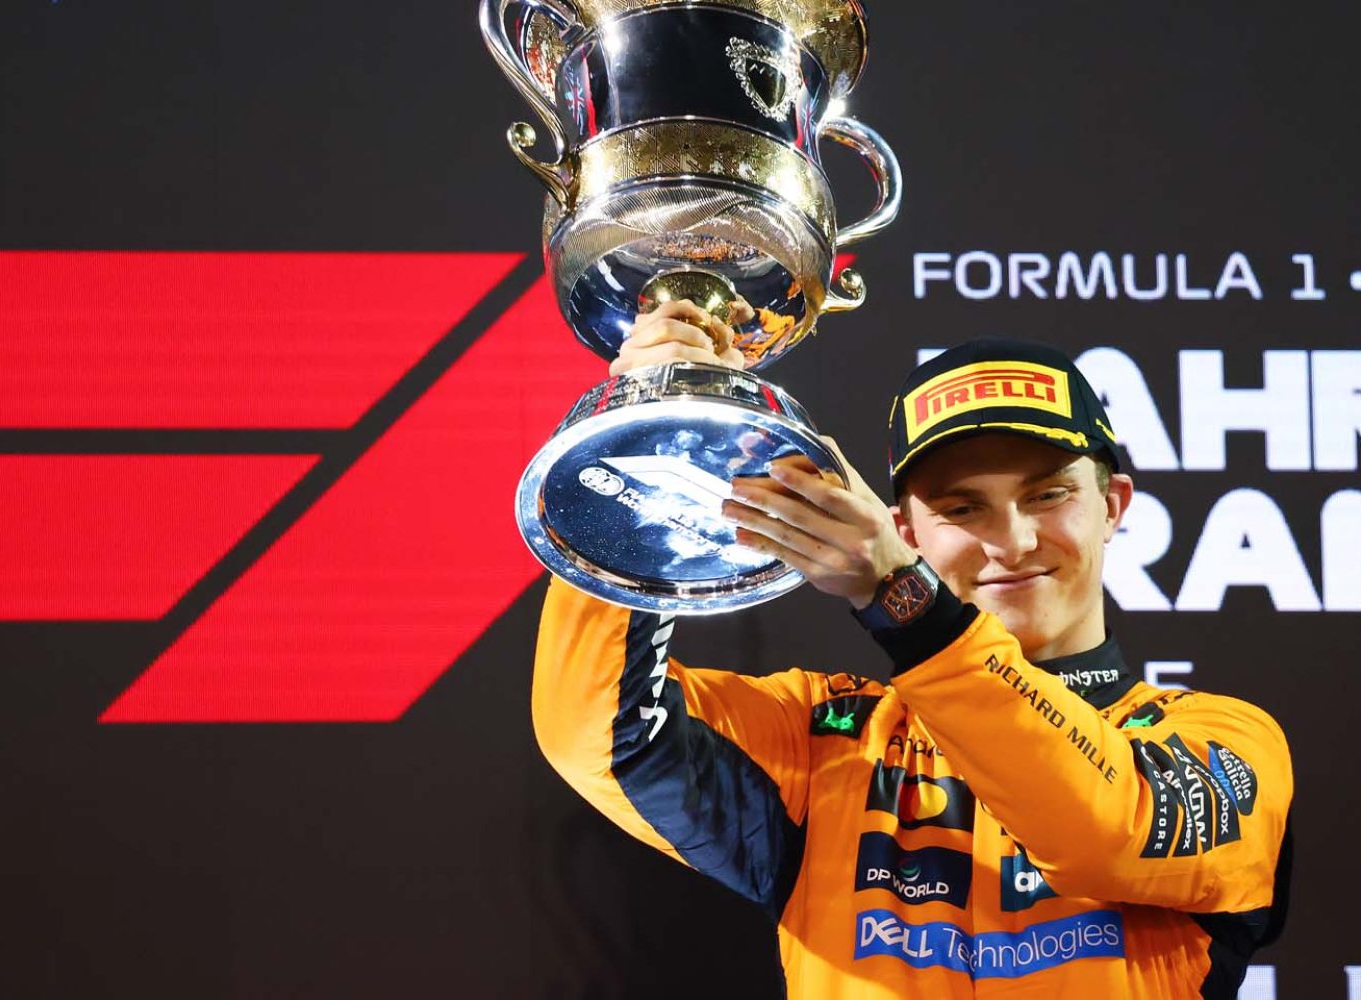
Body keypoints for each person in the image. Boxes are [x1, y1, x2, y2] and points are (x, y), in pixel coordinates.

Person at [531, 301, 1294, 997]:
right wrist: (646, 438)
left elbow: (1100, 834)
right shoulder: (827, 740)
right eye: (962, 508)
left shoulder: (1224, 742)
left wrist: (905, 600)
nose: (1014, 541)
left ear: (1113, 506)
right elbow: (600, 735)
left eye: (1049, 494)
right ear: (907, 527)